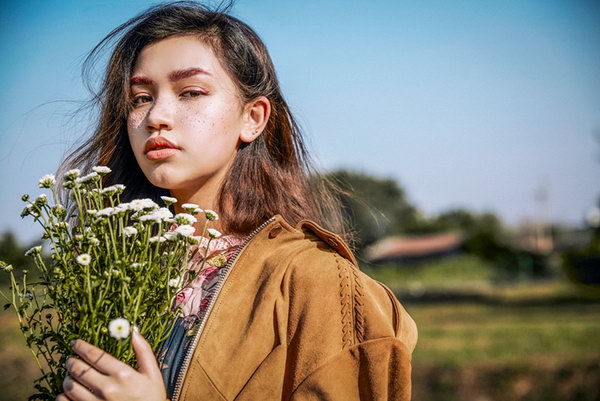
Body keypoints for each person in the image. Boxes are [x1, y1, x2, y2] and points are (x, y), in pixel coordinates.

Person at [54, 1, 418, 400]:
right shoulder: (117, 274)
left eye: (190, 92)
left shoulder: (316, 282)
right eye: (140, 98)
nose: (156, 115)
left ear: (253, 118)